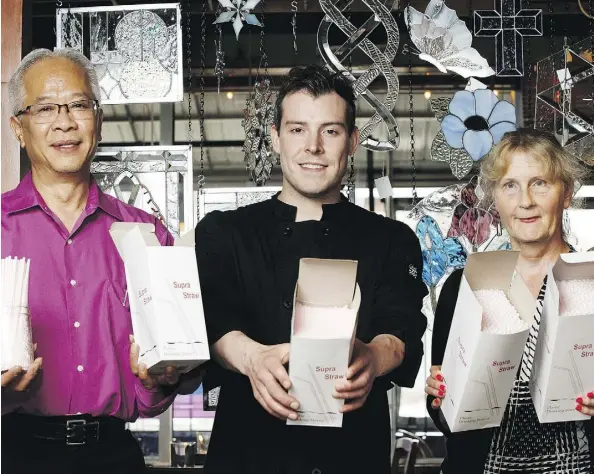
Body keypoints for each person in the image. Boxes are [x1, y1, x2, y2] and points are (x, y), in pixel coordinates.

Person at [195, 65, 428, 474]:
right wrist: (252, 359)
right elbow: (211, 321)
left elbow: (402, 325)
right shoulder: (225, 232)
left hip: (353, 456)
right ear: (275, 136)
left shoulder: (392, 238)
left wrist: (373, 356)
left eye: (331, 131)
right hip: (247, 455)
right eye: (298, 129)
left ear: (353, 141)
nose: (314, 147)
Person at [1, 48, 199, 473]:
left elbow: (168, 378)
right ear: (19, 128)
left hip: (113, 454)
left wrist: (159, 378)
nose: (65, 122)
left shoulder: (147, 236)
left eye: (78, 105)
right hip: (13, 454)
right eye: (45, 108)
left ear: (99, 120)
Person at [425, 128, 594, 473]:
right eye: (510, 186)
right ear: (495, 199)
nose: (525, 201)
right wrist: (440, 397)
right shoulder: (464, 287)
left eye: (540, 183)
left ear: (566, 193)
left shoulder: (590, 282)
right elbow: (444, 415)